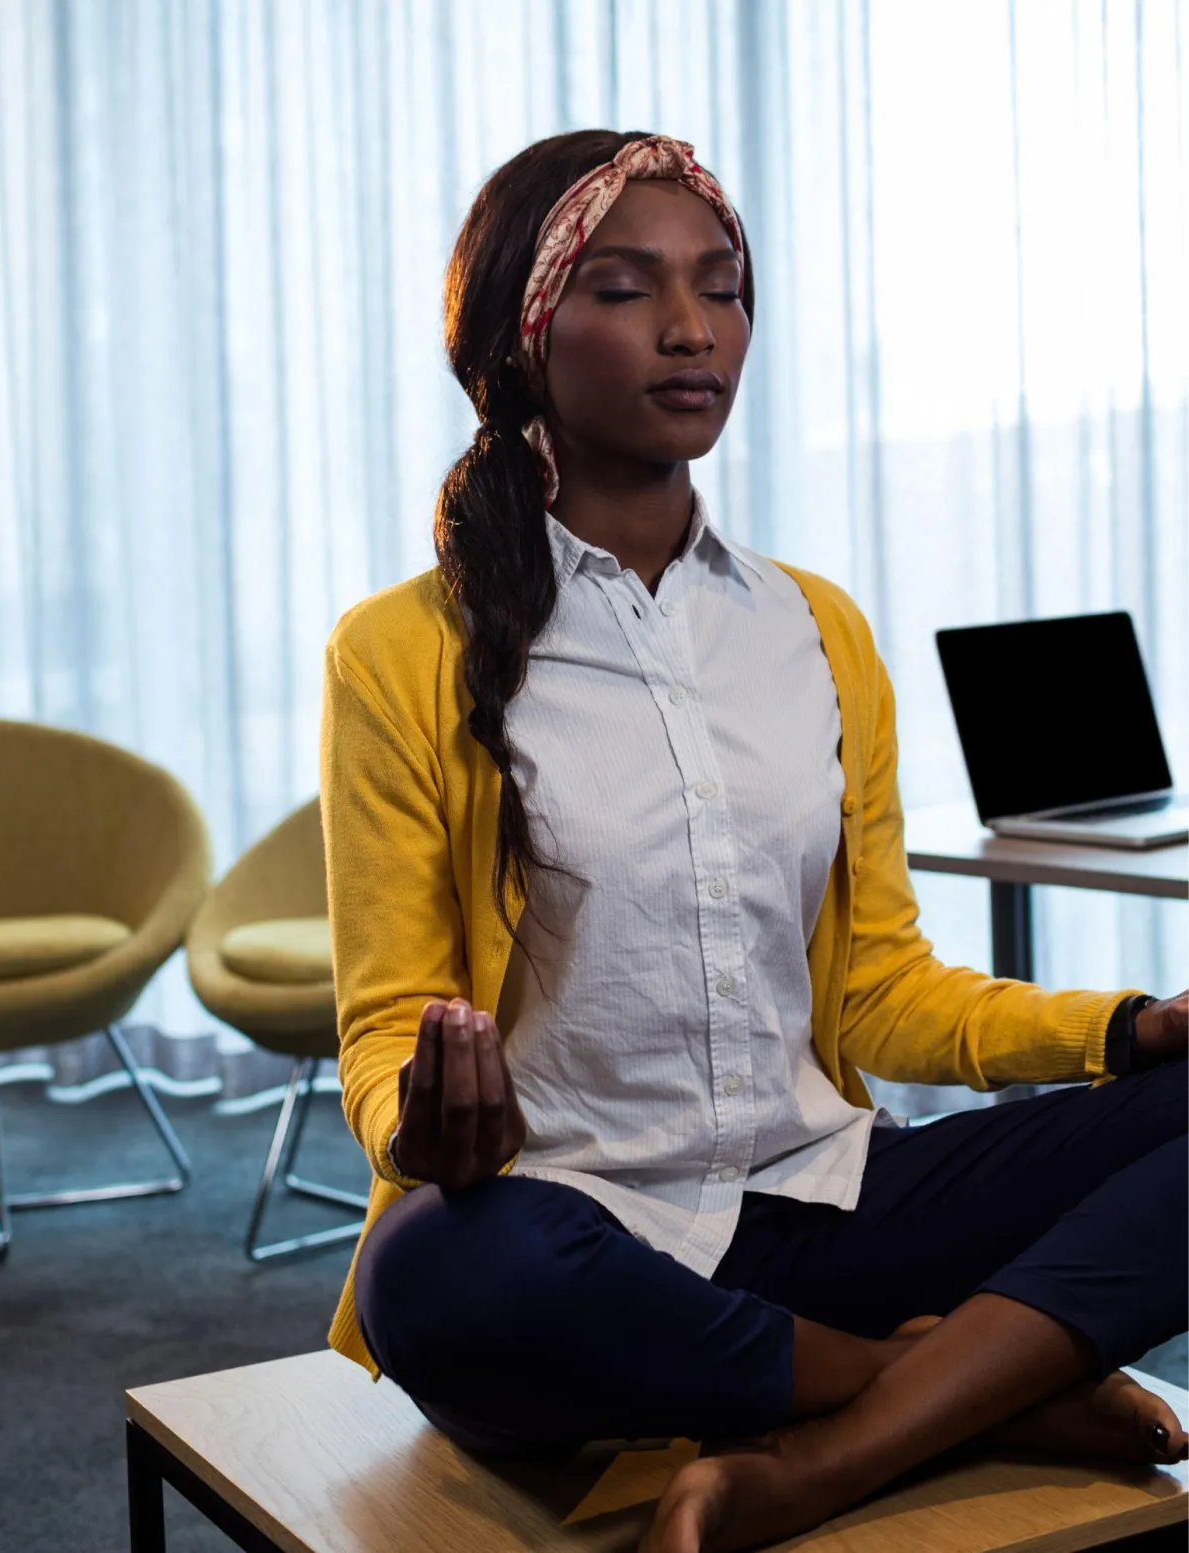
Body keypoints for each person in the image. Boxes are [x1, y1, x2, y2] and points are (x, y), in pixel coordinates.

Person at [319, 130, 1188, 1553]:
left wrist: (1128, 1027)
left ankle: (808, 1456)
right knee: (433, 1272)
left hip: (827, 1209)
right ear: (520, 336)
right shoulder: (398, 652)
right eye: (624, 288)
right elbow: (381, 1030)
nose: (690, 328)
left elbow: (879, 994)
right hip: (575, 1232)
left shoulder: (819, 631)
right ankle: (970, 1386)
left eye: (721, 289)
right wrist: (415, 1123)